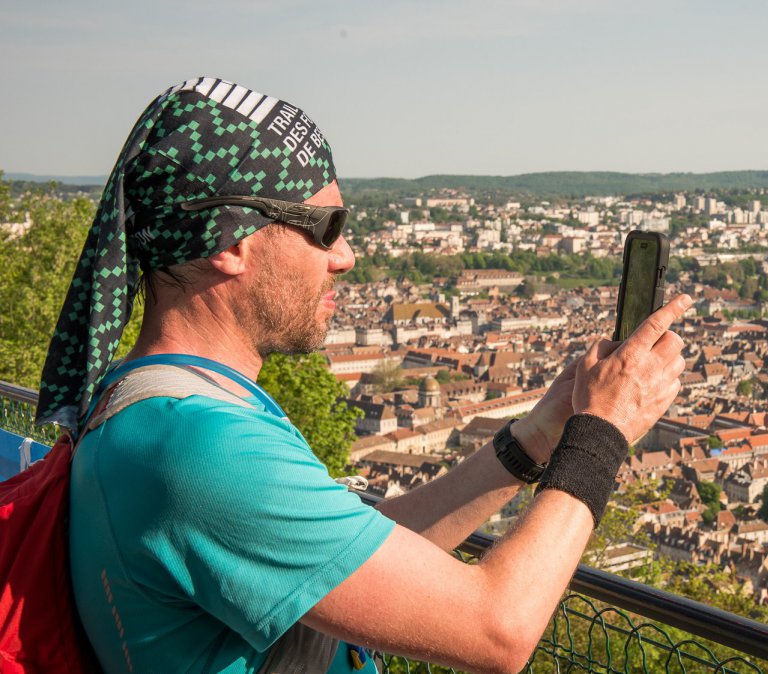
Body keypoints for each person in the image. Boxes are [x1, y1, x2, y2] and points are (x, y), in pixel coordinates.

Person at [38, 77, 690, 674]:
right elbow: (498, 630)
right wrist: (602, 431)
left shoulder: (156, 402)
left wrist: (537, 439)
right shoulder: (200, 449)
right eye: (327, 228)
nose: (345, 257)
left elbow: (353, 561)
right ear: (230, 244)